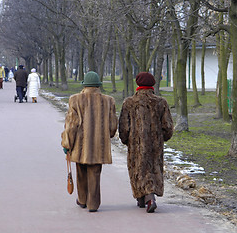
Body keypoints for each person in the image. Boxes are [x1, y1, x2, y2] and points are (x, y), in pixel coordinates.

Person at [61, 71, 118, 212]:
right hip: (99, 145)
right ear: (98, 85)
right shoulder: (108, 100)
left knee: (81, 172)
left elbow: (71, 125)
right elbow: (112, 126)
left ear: (84, 85)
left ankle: (82, 199)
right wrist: (106, 135)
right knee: (95, 173)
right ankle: (93, 203)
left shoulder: (75, 100)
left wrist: (67, 143)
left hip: (80, 145)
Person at [118, 72, 173, 213]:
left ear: (138, 84)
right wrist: (162, 138)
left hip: (136, 143)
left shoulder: (129, 102)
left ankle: (147, 197)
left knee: (138, 169)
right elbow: (167, 126)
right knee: (153, 168)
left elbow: (124, 126)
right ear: (153, 84)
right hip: (155, 144)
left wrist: (126, 140)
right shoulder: (161, 102)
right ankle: (145, 198)